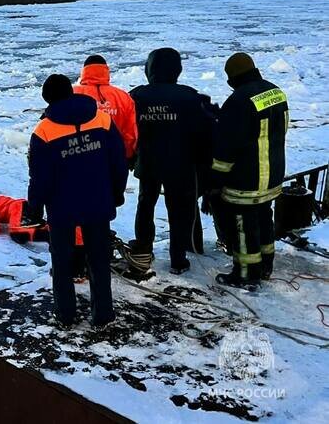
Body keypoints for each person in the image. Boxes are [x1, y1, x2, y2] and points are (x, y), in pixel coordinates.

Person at [28, 74, 128, 328]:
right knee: (99, 261)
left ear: (47, 99)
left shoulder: (44, 131)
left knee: (61, 264)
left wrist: (35, 208)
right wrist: (117, 193)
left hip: (62, 207)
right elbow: (118, 162)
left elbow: (39, 177)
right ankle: (103, 315)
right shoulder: (102, 119)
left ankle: (65, 315)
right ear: (71, 92)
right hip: (98, 201)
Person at [126, 48, 213, 279]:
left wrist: (130, 158)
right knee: (179, 211)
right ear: (177, 69)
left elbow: (126, 130)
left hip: (148, 163)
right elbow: (204, 132)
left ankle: (144, 252)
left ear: (149, 68)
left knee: (146, 205)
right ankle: (178, 259)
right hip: (180, 164)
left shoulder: (136, 96)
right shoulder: (190, 96)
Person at [211, 53, 288, 287]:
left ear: (232, 77)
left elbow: (227, 147)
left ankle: (245, 273)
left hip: (246, 179)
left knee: (243, 226)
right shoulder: (276, 92)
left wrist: (215, 177)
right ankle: (266, 265)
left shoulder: (239, 101)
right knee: (264, 217)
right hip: (272, 174)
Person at [74, 54, 138, 161]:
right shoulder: (122, 96)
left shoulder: (72, 94)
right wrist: (127, 155)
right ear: (106, 71)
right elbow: (130, 132)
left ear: (84, 71)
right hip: (114, 158)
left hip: (79, 158)